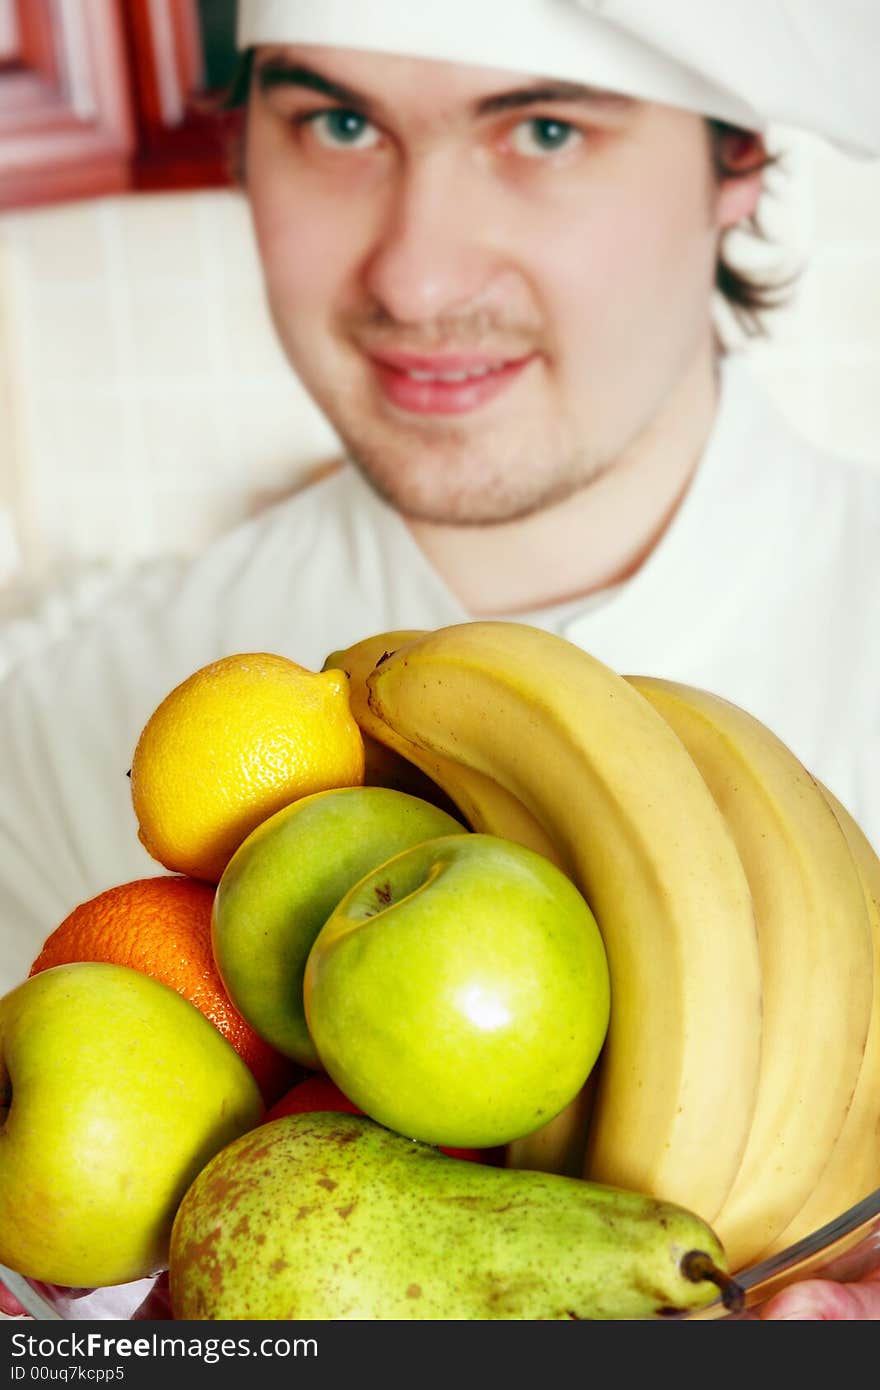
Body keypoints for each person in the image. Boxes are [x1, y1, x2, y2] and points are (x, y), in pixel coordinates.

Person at [1, 0, 879, 1321]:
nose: (413, 278)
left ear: (736, 158)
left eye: (542, 127)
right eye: (336, 121)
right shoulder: (62, 716)